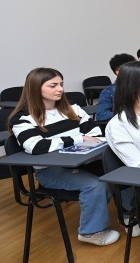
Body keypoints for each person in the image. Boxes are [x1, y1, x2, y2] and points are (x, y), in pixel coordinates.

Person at [8, 68, 120, 246]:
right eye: (53, 85)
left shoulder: (72, 109)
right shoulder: (23, 118)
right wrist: (78, 139)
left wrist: (65, 142)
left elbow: (96, 134)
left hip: (82, 162)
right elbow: (36, 146)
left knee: (118, 171)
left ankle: (130, 215)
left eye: (61, 84)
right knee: (95, 185)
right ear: (36, 88)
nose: (59, 89)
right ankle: (91, 232)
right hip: (50, 171)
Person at [97, 53, 136, 122]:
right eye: (131, 69)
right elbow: (101, 115)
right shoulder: (108, 92)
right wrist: (127, 114)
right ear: (118, 72)